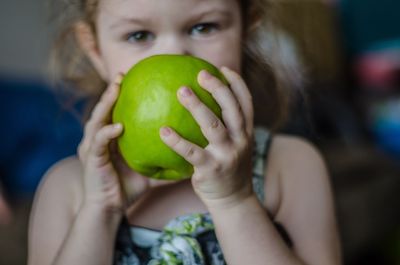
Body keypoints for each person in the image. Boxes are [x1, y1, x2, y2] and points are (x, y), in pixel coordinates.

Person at [28, 0, 342, 264]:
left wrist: (234, 202)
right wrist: (101, 209)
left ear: (246, 31)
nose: (175, 52)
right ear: (95, 49)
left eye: (204, 27)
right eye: (138, 35)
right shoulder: (67, 188)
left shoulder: (291, 165)